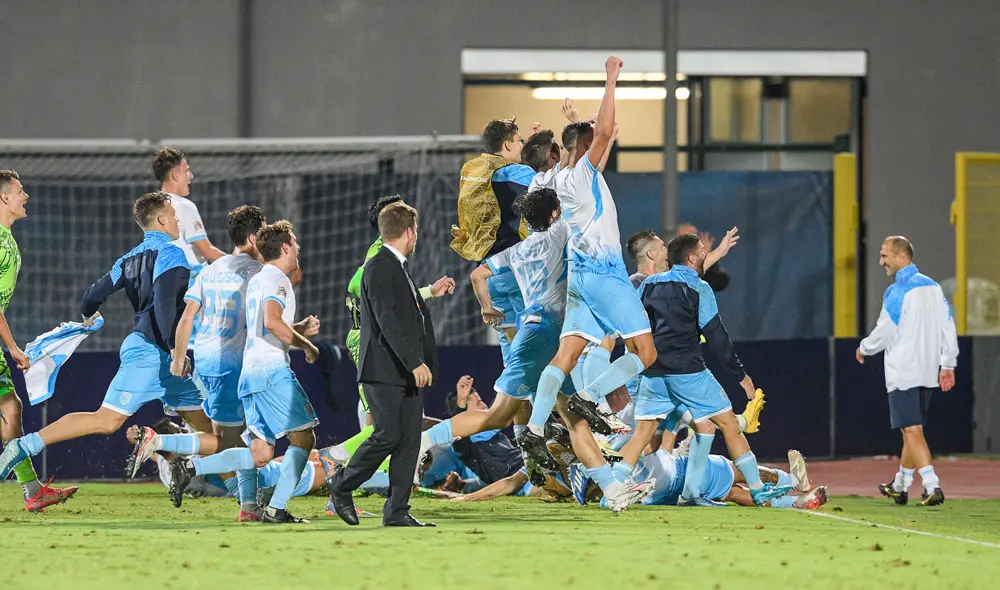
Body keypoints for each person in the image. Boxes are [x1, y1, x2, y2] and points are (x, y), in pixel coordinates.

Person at [0, 192, 213, 482]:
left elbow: (91, 297)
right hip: (153, 352)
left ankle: (236, 490)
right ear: (162, 220)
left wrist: (91, 315)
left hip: (157, 351)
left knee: (210, 432)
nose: (177, 221)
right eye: (174, 216)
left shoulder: (128, 259)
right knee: (106, 420)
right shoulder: (172, 253)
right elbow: (164, 307)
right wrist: (177, 353)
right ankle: (24, 446)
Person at [167, 221, 321, 524]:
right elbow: (273, 322)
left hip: (249, 372)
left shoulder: (258, 279)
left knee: (260, 452)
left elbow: (263, 324)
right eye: (295, 243)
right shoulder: (275, 277)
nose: (299, 248)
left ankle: (192, 467)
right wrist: (306, 345)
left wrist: (295, 329)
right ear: (285, 247)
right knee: (304, 439)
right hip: (271, 370)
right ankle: (276, 509)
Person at [124, 205, 268, 521]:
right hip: (236, 364)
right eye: (265, 231)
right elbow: (265, 322)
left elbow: (187, 316)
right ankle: (170, 449)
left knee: (234, 439)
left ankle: (248, 505)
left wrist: (179, 357)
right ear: (253, 238)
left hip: (204, 362)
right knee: (238, 439)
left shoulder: (209, 269)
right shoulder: (258, 273)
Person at [625, 233, 790, 507]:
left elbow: (634, 326)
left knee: (649, 435)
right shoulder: (699, 288)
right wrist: (740, 374)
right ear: (691, 257)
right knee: (729, 424)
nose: (705, 253)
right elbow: (716, 336)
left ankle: (613, 489)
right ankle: (758, 488)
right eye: (702, 250)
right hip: (688, 373)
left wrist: (639, 366)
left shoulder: (649, 285)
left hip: (653, 374)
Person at [421, 188, 578, 471]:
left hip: (538, 332)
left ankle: (593, 477)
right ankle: (423, 442)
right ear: (555, 213)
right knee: (498, 416)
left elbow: (477, 274)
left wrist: (487, 308)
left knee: (571, 408)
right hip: (541, 334)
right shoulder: (559, 232)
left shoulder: (516, 251)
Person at [328, 202, 438, 528]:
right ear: (409, 232)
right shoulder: (377, 266)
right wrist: (414, 362)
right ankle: (341, 484)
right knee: (387, 435)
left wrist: (423, 362)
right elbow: (387, 321)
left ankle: (397, 510)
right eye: (416, 231)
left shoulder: (397, 266)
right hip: (384, 369)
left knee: (409, 440)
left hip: (404, 370)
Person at [857, 236, 956, 507]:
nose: (881, 261)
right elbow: (948, 326)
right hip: (927, 371)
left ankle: (932, 485)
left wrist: (864, 348)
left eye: (884, 255)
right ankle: (900, 485)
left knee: (911, 429)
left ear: (901, 257)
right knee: (910, 431)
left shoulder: (898, 290)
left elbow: (885, 331)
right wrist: (948, 364)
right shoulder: (934, 287)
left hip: (903, 370)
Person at [0, 170, 78, 511]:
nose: (26, 196)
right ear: (4, 197)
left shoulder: (8, 242)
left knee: (10, 407)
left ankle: (32, 490)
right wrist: (13, 347)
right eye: (20, 191)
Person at [346, 195, 455, 428]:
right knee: (379, 423)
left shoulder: (393, 254)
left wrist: (429, 291)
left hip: (380, 336)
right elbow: (356, 285)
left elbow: (396, 297)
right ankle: (343, 452)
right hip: (370, 337)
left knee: (401, 421)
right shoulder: (379, 252)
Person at [452, 118, 535, 362]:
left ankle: (510, 387)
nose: (521, 146)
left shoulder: (472, 170)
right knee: (531, 347)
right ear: (508, 144)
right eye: (519, 141)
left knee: (510, 352)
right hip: (513, 267)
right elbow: (550, 182)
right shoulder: (516, 173)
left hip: (487, 273)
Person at [153, 148, 226, 282]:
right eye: (186, 171)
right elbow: (207, 251)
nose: (190, 176)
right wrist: (236, 261)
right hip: (192, 282)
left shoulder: (151, 208)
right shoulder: (184, 206)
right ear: (175, 174)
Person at [627, 228, 740, 289]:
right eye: (662, 247)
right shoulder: (634, 285)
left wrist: (719, 251)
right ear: (651, 254)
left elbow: (691, 270)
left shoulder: (666, 280)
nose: (666, 251)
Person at [675, 223, 730, 293]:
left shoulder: (702, 261)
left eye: (695, 236)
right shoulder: (668, 261)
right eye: (687, 237)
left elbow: (719, 282)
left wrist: (706, 257)